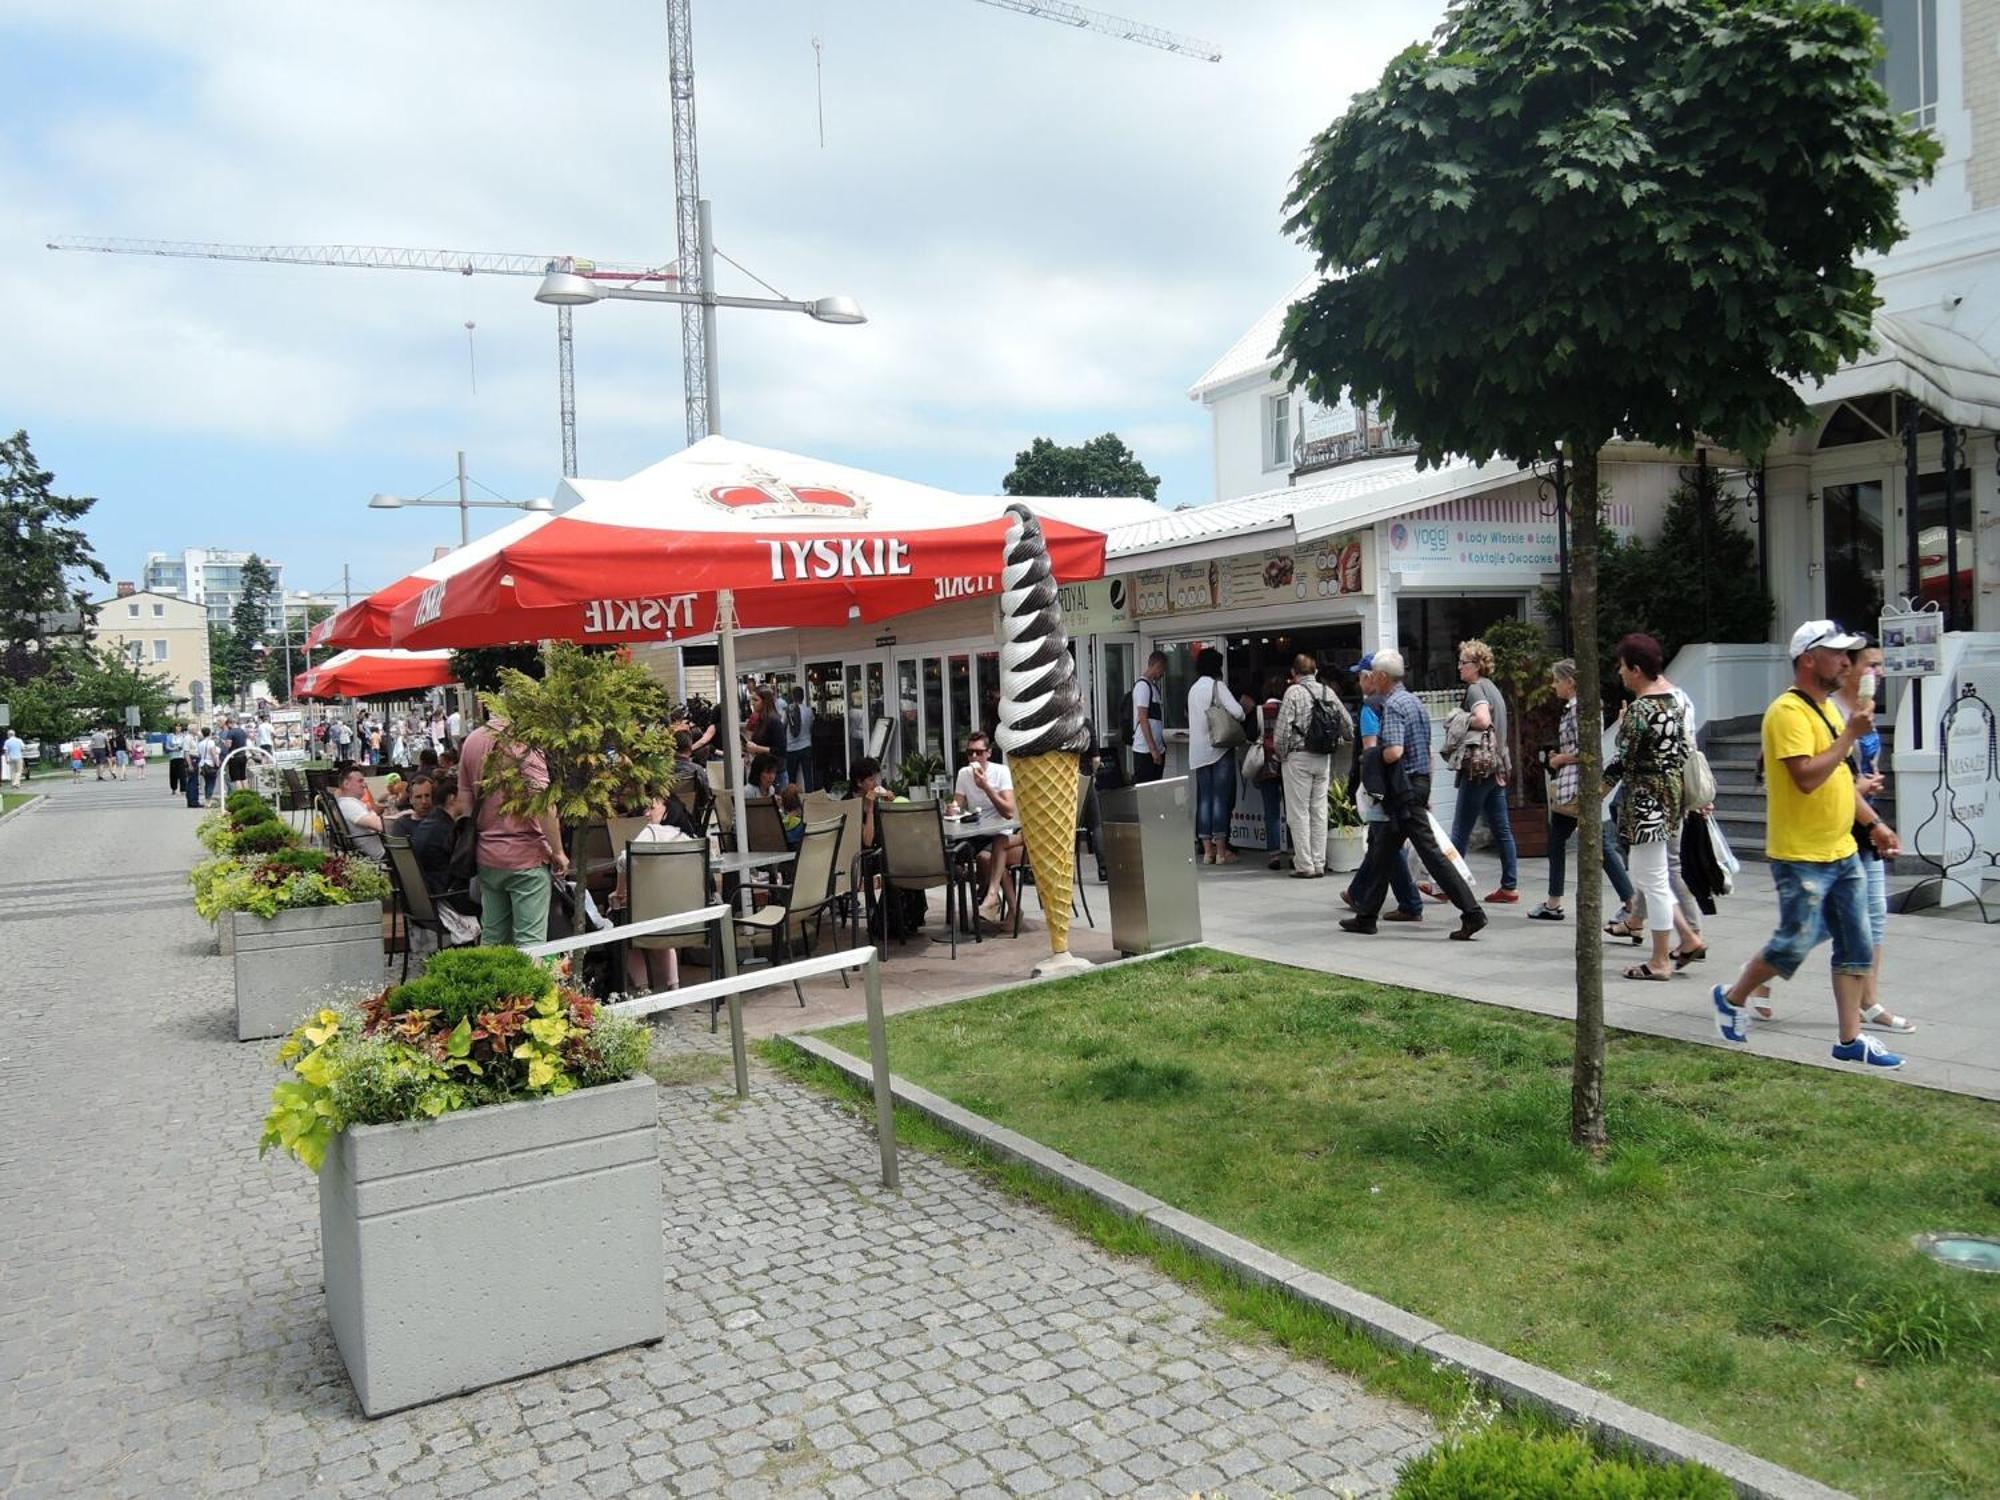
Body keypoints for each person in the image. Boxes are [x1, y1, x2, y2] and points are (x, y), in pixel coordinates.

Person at [1710, 621, 1904, 1067]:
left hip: (1841, 849)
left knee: (1857, 943)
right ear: (1808, 659)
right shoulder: (1786, 712)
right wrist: (1850, 737)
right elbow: (1805, 777)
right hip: (1801, 856)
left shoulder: (1830, 711)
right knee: (1793, 944)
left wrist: (1874, 823)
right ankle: (1733, 997)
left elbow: (1840, 779)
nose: (1846, 662)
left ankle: (1850, 1041)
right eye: (1837, 654)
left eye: (1848, 655)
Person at [1339, 649, 1487, 940]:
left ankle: (1472, 913)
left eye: (1373, 676)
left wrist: (1370, 757)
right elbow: (1425, 751)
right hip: (1417, 783)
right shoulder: (1415, 702)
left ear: (1382, 677)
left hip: (1402, 788)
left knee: (1430, 855)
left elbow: (1394, 752)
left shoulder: (1393, 705)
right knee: (1383, 851)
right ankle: (1366, 916)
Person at [1831, 638, 1915, 1036]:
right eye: (1871, 665)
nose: (1877, 674)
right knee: (1816, 924)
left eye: (1881, 667)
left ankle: (1869, 1001)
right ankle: (1754, 979)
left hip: (1864, 823)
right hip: (1838, 827)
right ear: (1847, 668)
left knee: (1873, 916)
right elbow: (1832, 777)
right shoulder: (1830, 711)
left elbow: (1863, 768)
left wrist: (1870, 785)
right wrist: (1865, 804)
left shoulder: (1866, 712)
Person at [1603, 634, 1692, 981]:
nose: (1620, 673)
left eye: (1623, 667)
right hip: (1670, 795)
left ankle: (1659, 961)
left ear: (1636, 670)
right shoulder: (1675, 701)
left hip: (1645, 800)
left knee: (1653, 879)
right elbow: (1684, 750)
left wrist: (1591, 797)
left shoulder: (1641, 710)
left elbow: (1620, 761)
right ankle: (1682, 941)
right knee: (1646, 874)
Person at [459, 711, 568, 949]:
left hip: (487, 856)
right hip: (527, 857)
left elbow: (465, 798)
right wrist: (558, 851)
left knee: (493, 938)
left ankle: (493, 986)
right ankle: (527, 988)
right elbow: (544, 804)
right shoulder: (524, 743)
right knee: (530, 944)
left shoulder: (473, 740)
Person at [1341, 656, 1426, 921]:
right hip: (1409, 784)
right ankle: (1359, 893)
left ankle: (1409, 903)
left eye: (1361, 676)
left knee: (1385, 845)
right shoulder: (1409, 702)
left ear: (1373, 677)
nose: (1359, 682)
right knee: (1380, 843)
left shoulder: (1372, 708)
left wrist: (1369, 783)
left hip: (1385, 788)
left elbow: (1373, 752)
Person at [1447, 638, 1519, 902]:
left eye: (1463, 663)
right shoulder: (1493, 689)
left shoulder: (1476, 690)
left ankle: (1448, 885)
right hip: (1496, 767)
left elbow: (1482, 720)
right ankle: (1509, 886)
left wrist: (1459, 717)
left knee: (1460, 830)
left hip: (1478, 770)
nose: (1459, 667)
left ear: (1476, 666)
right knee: (1502, 829)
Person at [1273, 653, 1350, 879]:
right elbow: (1347, 724)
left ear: (1294, 674)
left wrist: (1282, 754)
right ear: (1315, 672)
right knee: (1319, 811)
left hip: (1298, 758)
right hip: (1323, 758)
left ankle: (1304, 864)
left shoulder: (1293, 692)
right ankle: (1319, 862)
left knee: (1299, 813)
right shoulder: (1328, 691)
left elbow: (1282, 731)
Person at [955, 731, 1025, 926]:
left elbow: (1009, 812)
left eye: (978, 752)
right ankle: (1004, 904)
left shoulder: (1001, 772)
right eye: (970, 753)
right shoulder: (964, 774)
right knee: (957, 857)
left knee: (989, 856)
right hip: (977, 834)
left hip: (1002, 833)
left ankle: (992, 897)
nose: (974, 757)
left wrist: (986, 786)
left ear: (989, 753)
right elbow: (957, 804)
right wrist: (953, 807)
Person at [1530, 660, 1581, 920]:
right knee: (1557, 840)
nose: (1553, 685)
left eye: (1556, 680)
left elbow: (1586, 749)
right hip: (1570, 785)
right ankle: (1553, 901)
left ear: (1569, 681)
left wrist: (1560, 759)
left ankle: (1630, 903)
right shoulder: (1572, 708)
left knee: (1602, 845)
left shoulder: (1577, 709)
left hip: (1575, 785)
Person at [1187, 647, 1245, 865]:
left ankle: (1207, 852)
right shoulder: (1217, 686)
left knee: (1204, 800)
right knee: (1220, 799)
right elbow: (1238, 712)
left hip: (1198, 752)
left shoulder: (1193, 690)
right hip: (1218, 749)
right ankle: (1221, 852)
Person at [1252, 676, 1286, 870]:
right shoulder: (1288, 709)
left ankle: (1273, 854)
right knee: (1293, 812)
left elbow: (1249, 734)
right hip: (1287, 765)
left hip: (1266, 766)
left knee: (1271, 811)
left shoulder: (1259, 711)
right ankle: (1295, 850)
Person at [333, 763, 387, 860]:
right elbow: (381, 825)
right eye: (360, 781)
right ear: (346, 784)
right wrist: (401, 819)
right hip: (384, 854)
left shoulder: (347, 803)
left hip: (381, 850)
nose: (364, 785)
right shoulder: (350, 805)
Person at [1130, 651, 1168, 784]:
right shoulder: (1143, 686)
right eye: (1162, 669)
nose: (1162, 674)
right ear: (1157, 665)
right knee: (1146, 789)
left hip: (1157, 748)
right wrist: (1153, 750)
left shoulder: (1153, 688)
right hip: (1145, 750)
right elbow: (1143, 718)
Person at [784, 686, 815, 791]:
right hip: (806, 745)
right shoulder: (809, 711)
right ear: (803, 696)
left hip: (792, 747)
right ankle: (810, 796)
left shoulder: (789, 710)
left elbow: (783, 725)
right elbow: (811, 726)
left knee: (791, 777)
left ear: (793, 696)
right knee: (808, 775)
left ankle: (792, 797)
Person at [195, 728, 221, 807]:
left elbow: (199, 754)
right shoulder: (211, 742)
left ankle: (207, 800)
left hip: (202, 764)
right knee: (211, 783)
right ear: (210, 733)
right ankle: (208, 801)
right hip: (210, 763)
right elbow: (213, 753)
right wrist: (217, 763)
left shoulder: (200, 743)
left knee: (207, 782)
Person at [166, 723, 188, 798]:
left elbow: (186, 745)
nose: (178, 728)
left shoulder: (184, 736)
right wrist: (174, 749)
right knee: (173, 774)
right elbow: (167, 746)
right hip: (173, 757)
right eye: (177, 727)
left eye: (180, 727)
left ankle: (183, 789)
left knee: (182, 774)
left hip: (181, 756)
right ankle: (174, 788)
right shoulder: (170, 736)